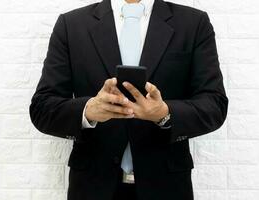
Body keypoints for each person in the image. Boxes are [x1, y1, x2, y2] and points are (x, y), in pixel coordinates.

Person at [29, 0, 228, 199]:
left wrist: (165, 114)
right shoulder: (71, 25)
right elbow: (42, 108)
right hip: (92, 186)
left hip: (167, 186)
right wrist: (88, 110)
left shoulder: (193, 23)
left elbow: (214, 105)